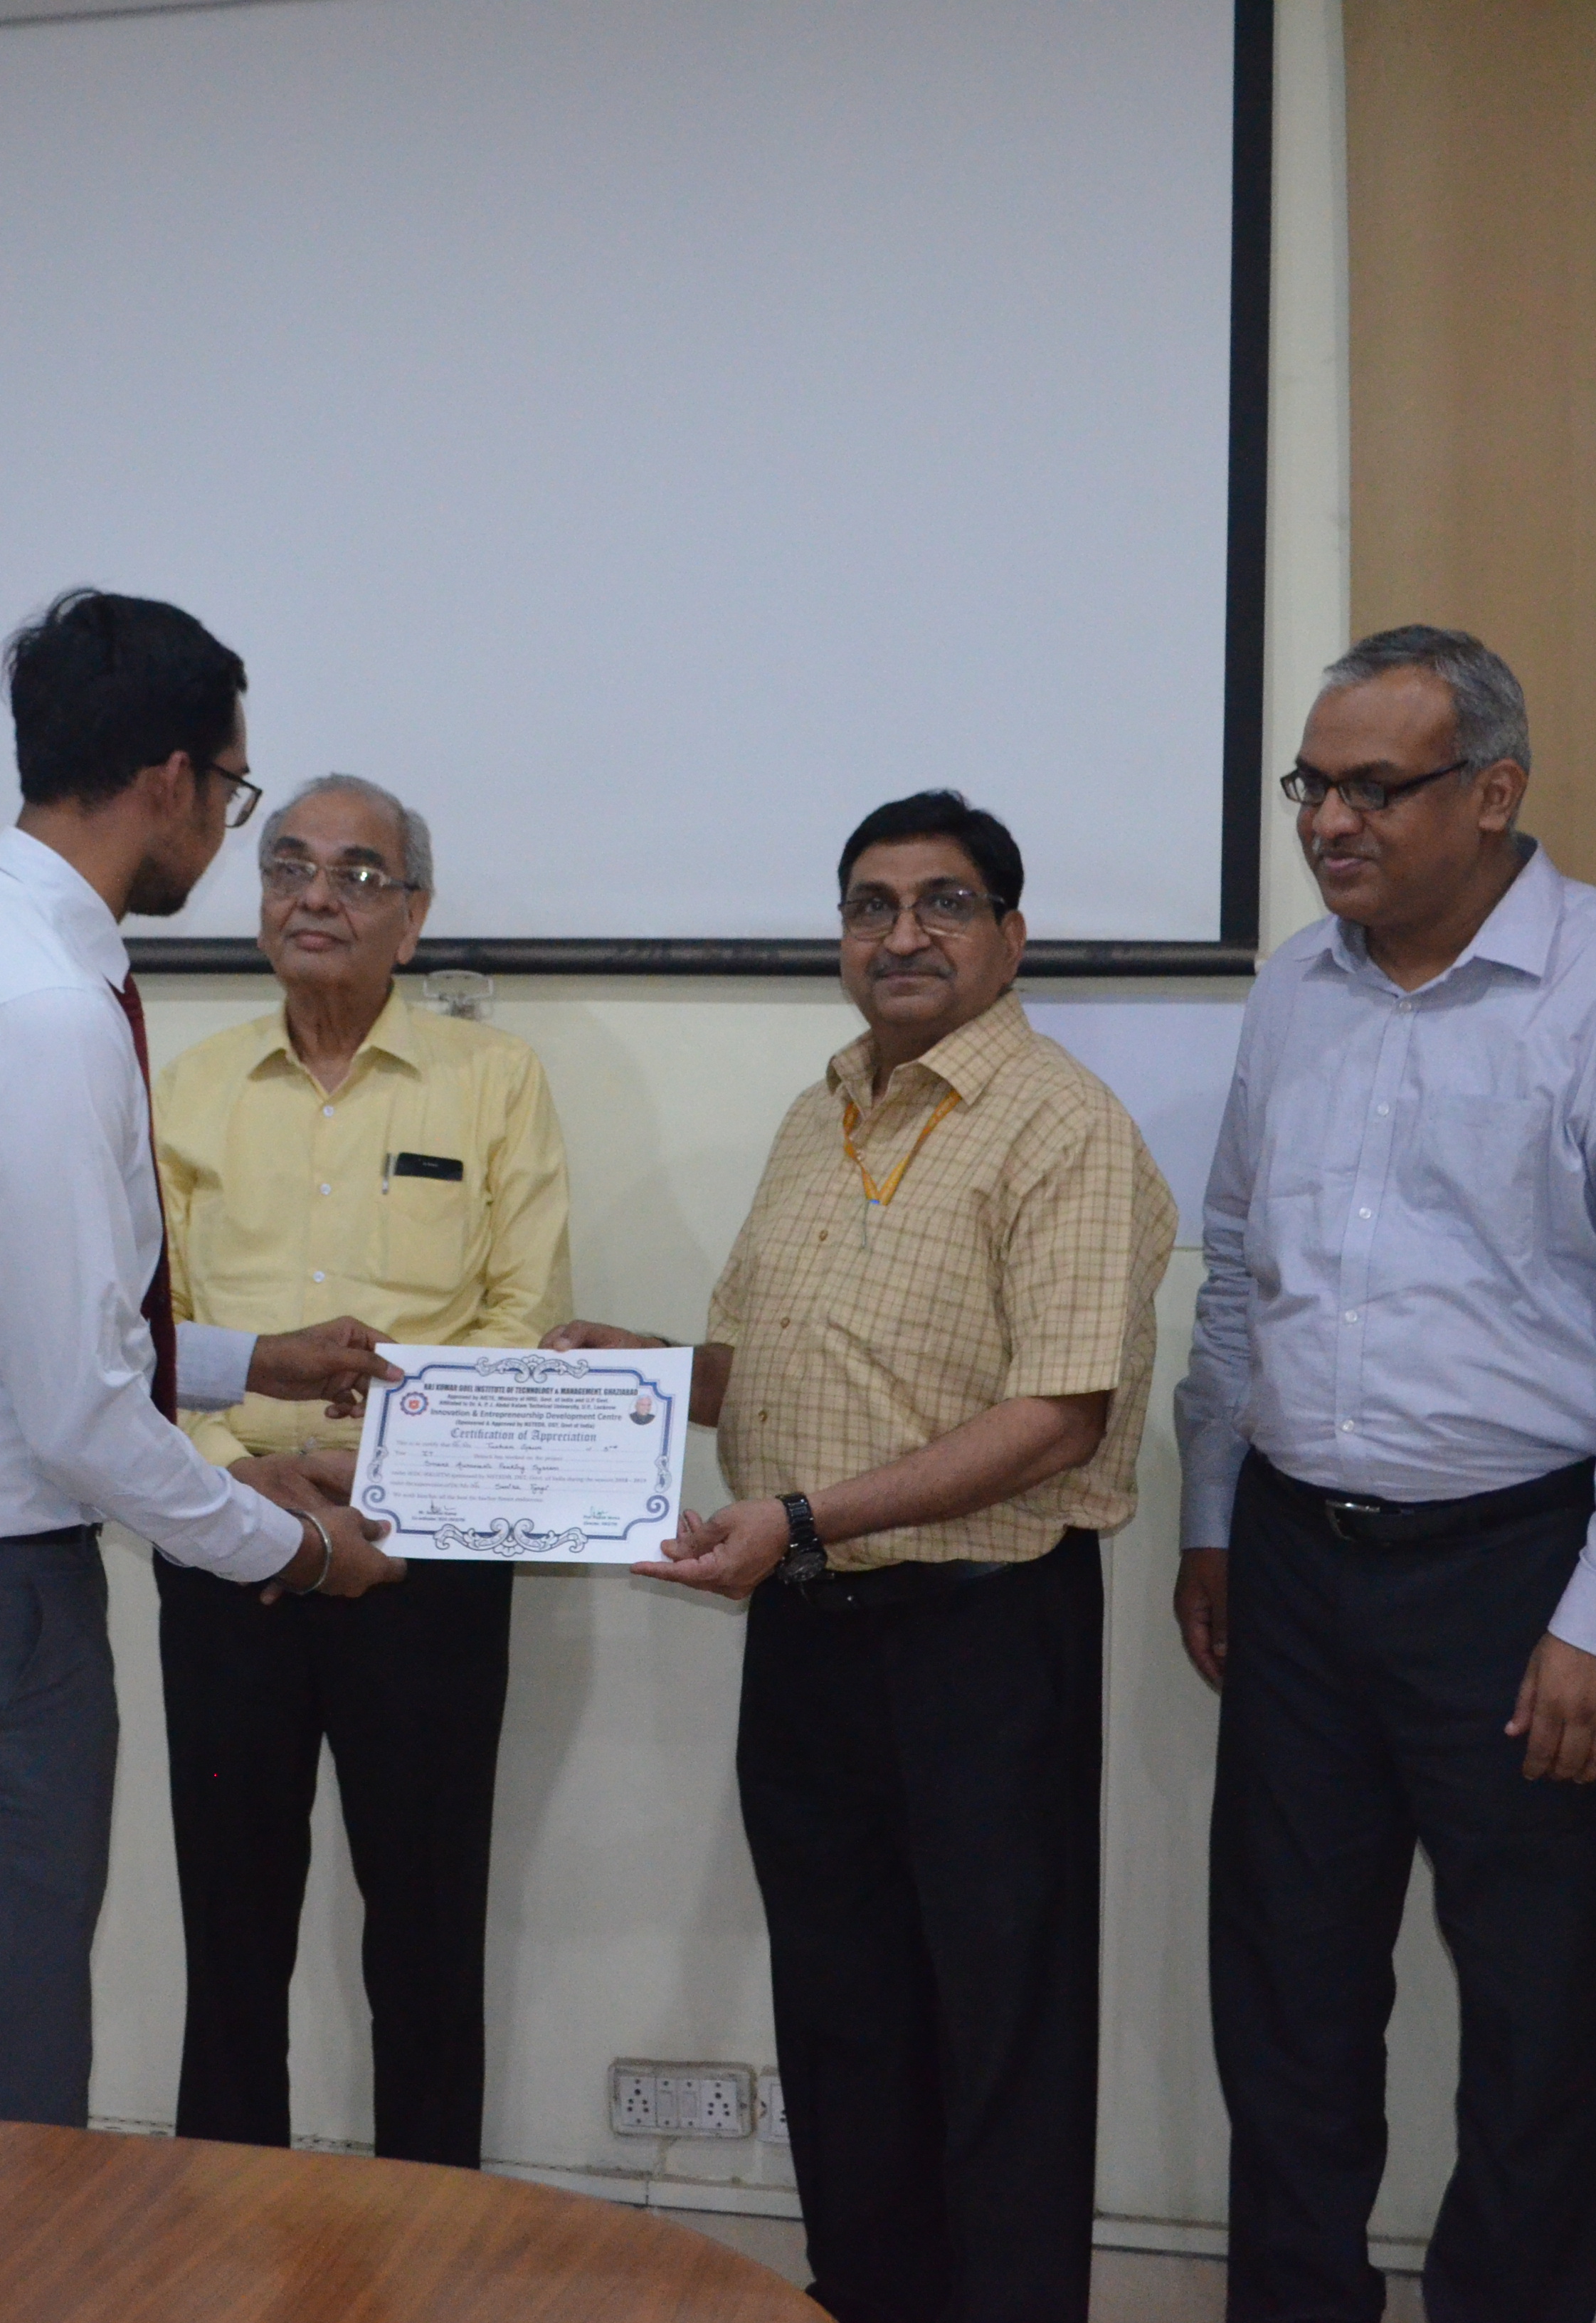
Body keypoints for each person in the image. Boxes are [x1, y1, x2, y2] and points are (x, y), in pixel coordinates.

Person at [1172, 626, 1596, 2321]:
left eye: (1374, 788)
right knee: (1282, 2004)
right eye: (1310, 785)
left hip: (1523, 1577)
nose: (1327, 823)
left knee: (1531, 2021)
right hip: (1294, 1561)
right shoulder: (1298, 984)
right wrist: (1213, 1517)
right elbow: (1237, 1271)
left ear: (1493, 795)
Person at [0, 588, 407, 2129]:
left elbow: (1, 1315)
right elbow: (74, 1410)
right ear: (172, 781)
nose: (227, 837)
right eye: (237, 797)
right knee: (8, 2063)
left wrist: (257, 1361)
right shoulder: (43, 1010)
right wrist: (294, 1549)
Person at [551, 790, 1176, 2323]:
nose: (902, 935)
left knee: (999, 2023)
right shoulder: (819, 1109)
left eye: (942, 903)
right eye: (869, 906)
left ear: (1010, 937)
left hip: (982, 1636)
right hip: (810, 1621)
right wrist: (649, 1374)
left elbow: (1059, 1417)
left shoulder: (1066, 1126)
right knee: (842, 2008)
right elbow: (784, 1372)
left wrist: (807, 1521)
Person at [152, 774, 574, 2168]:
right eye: (288, 867)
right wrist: (238, 1479)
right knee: (230, 1936)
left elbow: (523, 1317)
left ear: (414, 916)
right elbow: (146, 1329)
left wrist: (382, 1477)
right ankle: (227, 2230)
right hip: (229, 1553)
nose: (316, 898)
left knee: (428, 1935)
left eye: (356, 875)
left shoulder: (493, 1080)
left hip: (423, 1560)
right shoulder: (187, 1087)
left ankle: (431, 2235)